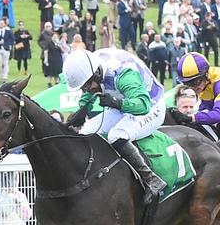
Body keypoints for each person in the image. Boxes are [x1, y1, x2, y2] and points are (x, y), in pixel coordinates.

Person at [63, 48, 167, 203]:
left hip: (151, 105)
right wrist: (82, 110)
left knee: (117, 135)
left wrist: (117, 103)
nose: (86, 90)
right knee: (85, 132)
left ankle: (152, 179)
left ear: (97, 74)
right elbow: (88, 94)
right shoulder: (92, 68)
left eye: (86, 86)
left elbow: (143, 105)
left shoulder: (124, 75)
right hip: (123, 103)